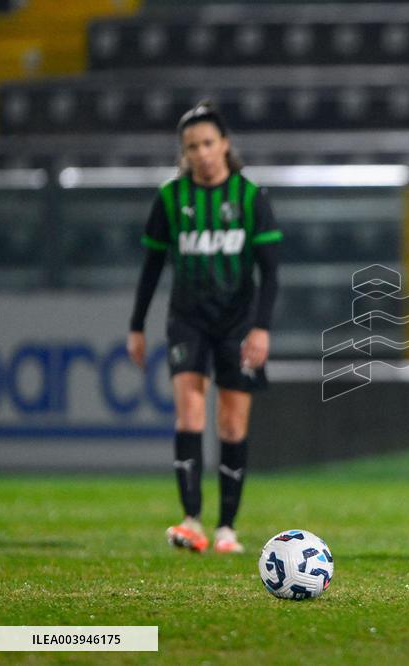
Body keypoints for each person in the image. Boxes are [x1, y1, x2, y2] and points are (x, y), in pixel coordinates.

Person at [127, 101, 282, 553]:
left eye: (208, 143)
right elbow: (152, 267)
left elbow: (270, 271)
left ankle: (226, 528)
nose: (201, 152)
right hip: (187, 320)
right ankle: (192, 520)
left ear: (225, 144)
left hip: (237, 324)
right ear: (184, 151)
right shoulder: (171, 198)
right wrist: (137, 325)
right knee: (189, 414)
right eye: (191, 146)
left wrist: (261, 328)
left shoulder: (250, 197)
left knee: (232, 424)